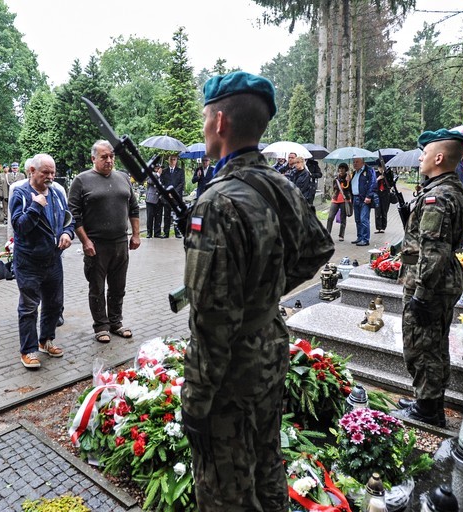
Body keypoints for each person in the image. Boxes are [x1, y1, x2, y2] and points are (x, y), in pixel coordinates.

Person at [181, 71, 334, 511]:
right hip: (270, 350)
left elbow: (210, 322)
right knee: (267, 466)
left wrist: (195, 401)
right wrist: (266, 293)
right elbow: (319, 248)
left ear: (221, 121)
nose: (204, 124)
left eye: (205, 116)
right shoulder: (281, 183)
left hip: (230, 374)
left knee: (226, 488)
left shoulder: (217, 202)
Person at [394, 129, 463, 427]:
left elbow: (433, 249)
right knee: (434, 344)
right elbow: (425, 242)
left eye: (424, 154)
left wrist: (421, 294)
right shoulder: (451, 188)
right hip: (441, 281)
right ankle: (427, 400)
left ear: (439, 157)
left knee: (421, 347)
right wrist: (401, 251)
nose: (420, 159)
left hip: (430, 285)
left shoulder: (436, 197)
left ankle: (427, 410)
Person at [68, 140, 141, 344]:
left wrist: (136, 235)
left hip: (120, 243)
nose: (109, 160)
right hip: (96, 246)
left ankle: (115, 322)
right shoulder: (81, 181)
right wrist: (85, 241)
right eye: (104, 157)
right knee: (97, 288)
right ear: (93, 158)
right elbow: (73, 215)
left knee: (118, 287)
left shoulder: (123, 178)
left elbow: (134, 209)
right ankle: (101, 325)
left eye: (111, 156)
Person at [11, 154, 74, 368]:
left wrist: (67, 233)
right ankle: (28, 351)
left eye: (52, 172)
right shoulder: (20, 193)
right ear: (32, 171)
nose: (50, 176)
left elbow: (68, 218)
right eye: (45, 172)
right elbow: (19, 227)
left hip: (53, 259)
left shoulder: (57, 192)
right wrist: (35, 206)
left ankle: (45, 340)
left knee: (54, 303)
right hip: (29, 261)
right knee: (29, 307)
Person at [350, 156, 377, 246]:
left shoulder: (369, 170)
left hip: (364, 199)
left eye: (357, 162)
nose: (355, 164)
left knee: (363, 219)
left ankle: (365, 239)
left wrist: (369, 196)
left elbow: (373, 183)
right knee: (357, 219)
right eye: (354, 162)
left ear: (363, 162)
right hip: (355, 198)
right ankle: (360, 237)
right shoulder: (354, 173)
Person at [159, 154, 185, 238]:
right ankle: (166, 233)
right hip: (167, 197)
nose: (172, 161)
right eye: (171, 159)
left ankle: (177, 232)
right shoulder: (164, 171)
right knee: (166, 215)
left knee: (176, 215)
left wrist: (173, 192)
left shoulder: (180, 171)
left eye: (174, 159)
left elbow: (181, 183)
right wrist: (167, 192)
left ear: (176, 161)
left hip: (176, 197)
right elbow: (162, 183)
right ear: (168, 160)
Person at [326, 163, 351, 242]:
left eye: (343, 169)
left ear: (345, 170)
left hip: (344, 200)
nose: (341, 170)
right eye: (340, 168)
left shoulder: (349, 178)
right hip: (335, 199)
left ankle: (341, 235)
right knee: (330, 217)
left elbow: (349, 189)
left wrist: (349, 181)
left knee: (343, 218)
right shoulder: (336, 178)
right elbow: (334, 188)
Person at [145, 162, 163, 238]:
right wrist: (158, 174)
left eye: (158, 168)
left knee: (158, 217)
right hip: (151, 199)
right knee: (150, 217)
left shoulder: (162, 175)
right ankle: (149, 232)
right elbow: (150, 181)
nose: (157, 169)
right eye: (156, 168)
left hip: (160, 198)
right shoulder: (150, 174)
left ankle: (157, 233)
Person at [374, 163, 391, 233]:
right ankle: (378, 227)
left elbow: (391, 184)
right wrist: (378, 179)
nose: (380, 170)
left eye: (382, 168)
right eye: (379, 168)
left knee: (384, 211)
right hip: (377, 194)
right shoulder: (375, 174)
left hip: (385, 194)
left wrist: (385, 178)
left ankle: (383, 227)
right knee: (377, 211)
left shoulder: (387, 174)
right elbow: (372, 183)